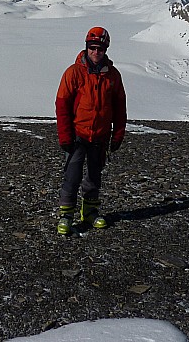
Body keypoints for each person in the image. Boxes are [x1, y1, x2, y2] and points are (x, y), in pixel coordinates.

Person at [55, 26, 127, 234]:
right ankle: (66, 216)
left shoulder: (113, 76)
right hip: (78, 134)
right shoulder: (73, 72)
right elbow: (62, 106)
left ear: (106, 50)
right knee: (72, 175)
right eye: (93, 48)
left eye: (100, 49)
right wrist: (65, 135)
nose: (96, 52)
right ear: (87, 48)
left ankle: (90, 212)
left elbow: (119, 107)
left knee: (95, 176)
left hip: (101, 135)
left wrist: (118, 133)